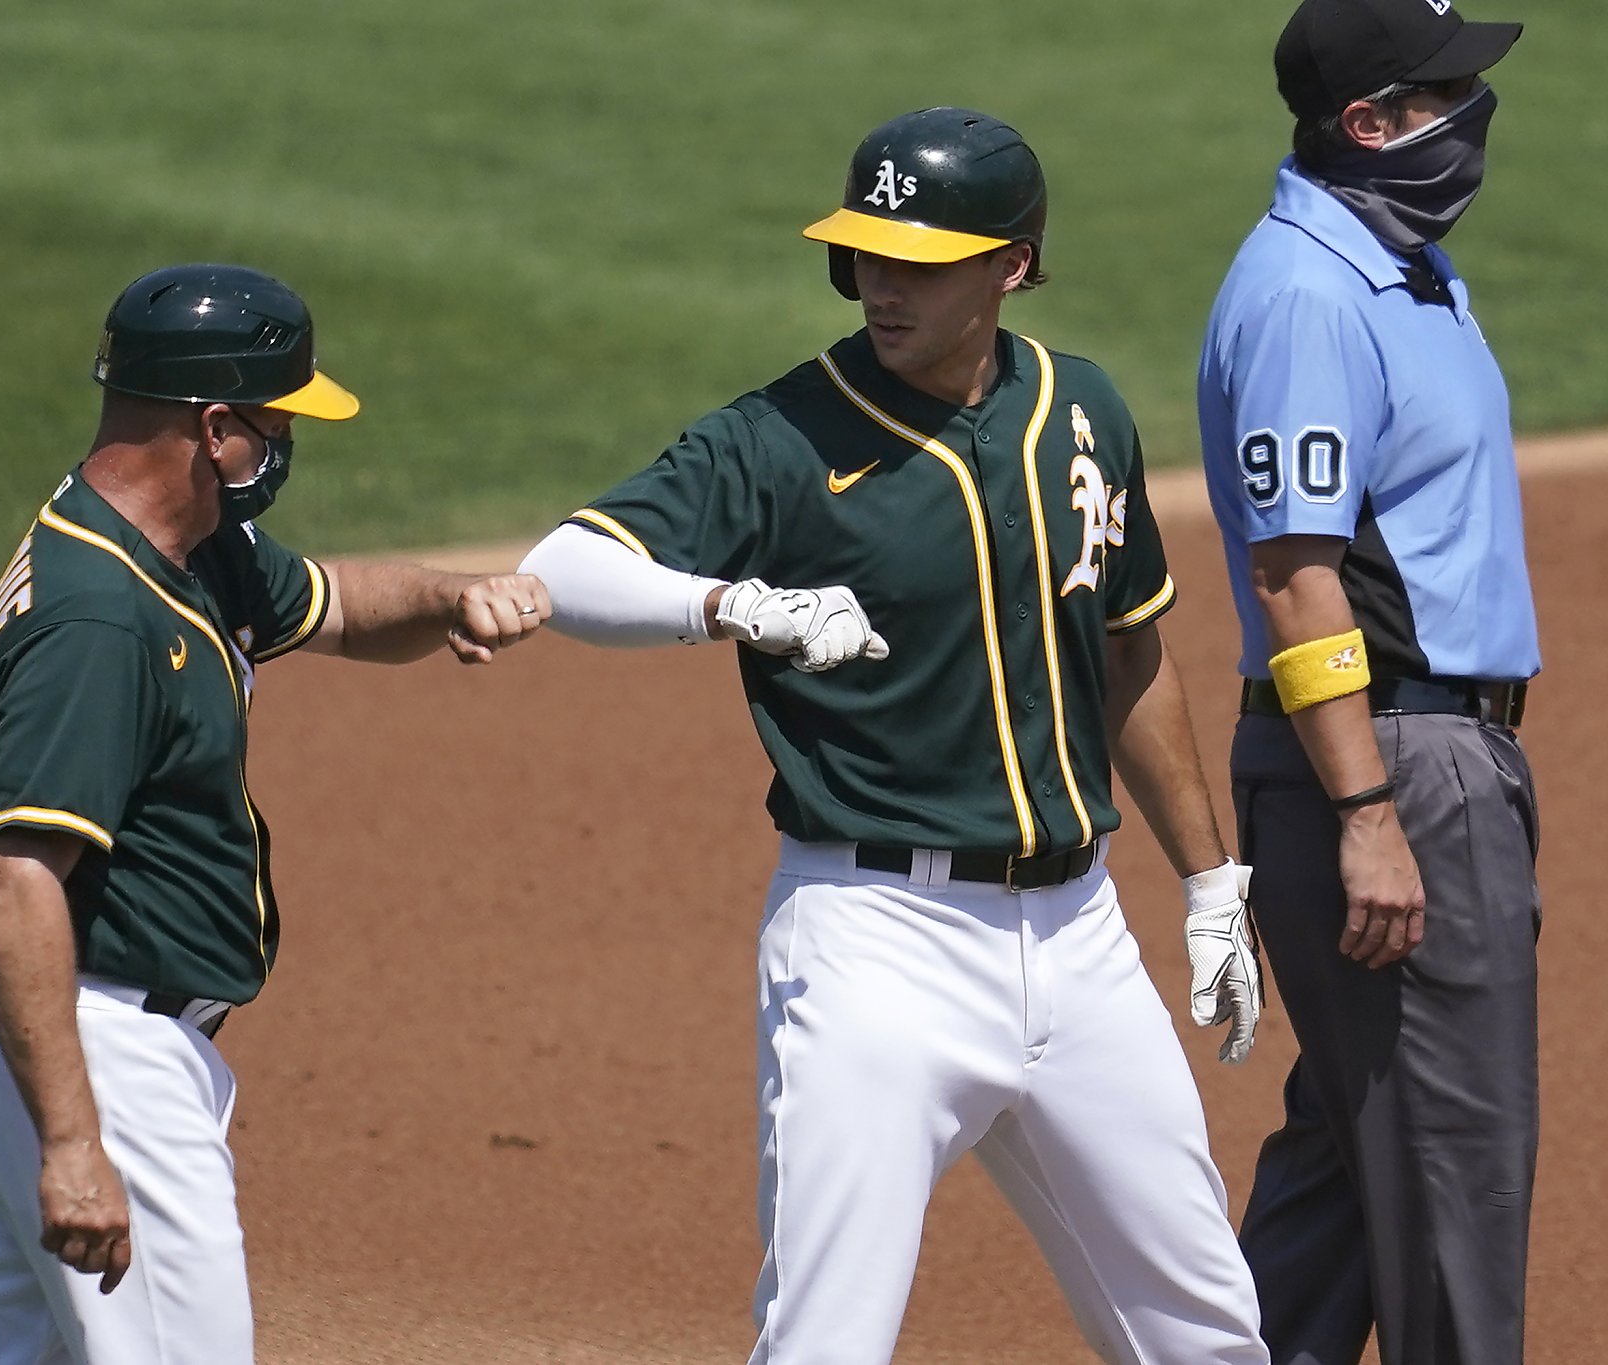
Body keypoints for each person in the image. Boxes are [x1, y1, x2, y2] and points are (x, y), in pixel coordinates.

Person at [520, 107, 1268, 1365]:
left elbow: (1128, 651)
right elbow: (561, 569)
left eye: (918, 259)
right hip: (877, 950)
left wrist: (1207, 880)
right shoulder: (780, 436)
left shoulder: (1080, 410)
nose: (880, 283)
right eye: (863, 253)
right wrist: (731, 604)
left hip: (1081, 942)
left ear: (1010, 265)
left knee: (1204, 1336)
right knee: (825, 1344)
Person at [0, 262, 550, 1364]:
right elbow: (12, 879)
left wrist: (449, 598)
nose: (286, 443)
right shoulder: (100, 622)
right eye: (274, 419)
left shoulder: (177, 550)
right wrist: (72, 1142)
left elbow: (338, 603)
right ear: (212, 427)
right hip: (84, 1044)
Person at [1196, 2, 1540, 1361]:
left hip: (1436, 756)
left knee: (1345, 1179)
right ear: (1373, 123)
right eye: (1449, 91)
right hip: (1390, 757)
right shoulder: (1306, 296)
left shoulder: (1405, 268)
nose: (1476, 114)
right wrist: (1368, 811)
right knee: (1456, 1174)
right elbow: (1296, 574)